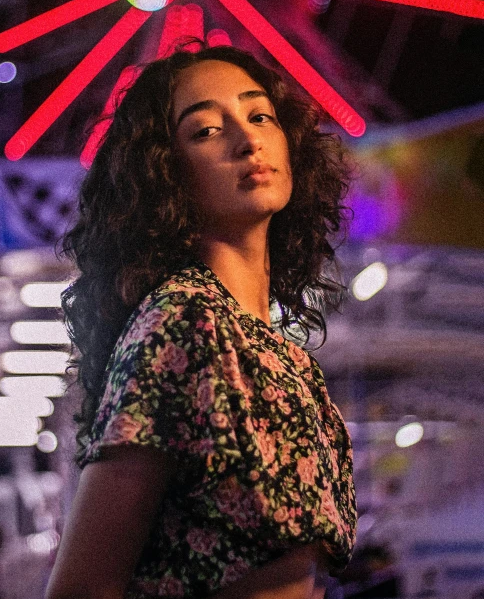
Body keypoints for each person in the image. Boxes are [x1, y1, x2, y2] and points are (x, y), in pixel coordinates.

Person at [46, 43, 357, 599]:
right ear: (165, 174)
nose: (247, 139)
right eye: (207, 130)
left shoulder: (290, 362)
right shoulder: (185, 323)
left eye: (260, 115)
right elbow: (82, 585)